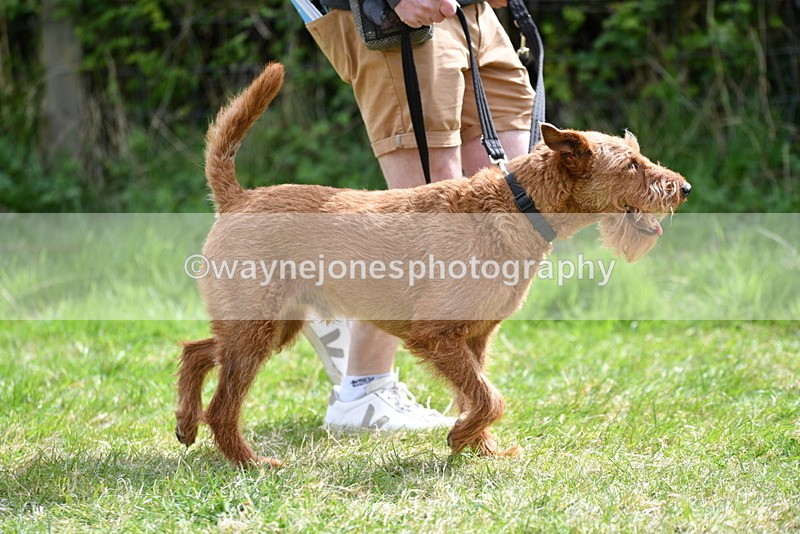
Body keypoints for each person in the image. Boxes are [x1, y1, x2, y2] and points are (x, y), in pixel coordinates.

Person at [302, 0, 535, 429]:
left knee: (512, 190)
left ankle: (469, 404)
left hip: (478, 15)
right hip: (399, 19)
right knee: (432, 217)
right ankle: (362, 392)